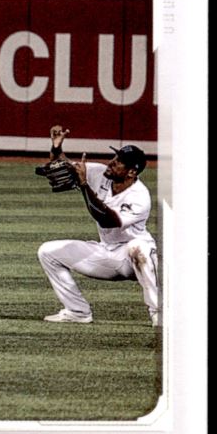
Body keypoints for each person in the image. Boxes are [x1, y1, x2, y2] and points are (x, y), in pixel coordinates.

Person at [37, 125, 160, 326]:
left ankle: (158, 313)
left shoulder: (140, 196)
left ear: (131, 172)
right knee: (48, 251)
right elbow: (61, 166)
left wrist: (84, 186)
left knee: (139, 248)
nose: (112, 162)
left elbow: (107, 220)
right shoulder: (100, 173)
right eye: (115, 157)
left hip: (131, 258)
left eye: (119, 161)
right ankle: (77, 311)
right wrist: (57, 148)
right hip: (106, 253)